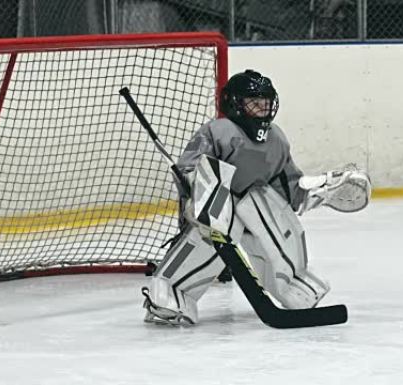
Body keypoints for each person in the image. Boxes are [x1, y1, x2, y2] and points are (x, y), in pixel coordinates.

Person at [141, 69, 371, 325]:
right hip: (215, 214)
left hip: (252, 214)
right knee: (220, 215)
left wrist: (321, 190)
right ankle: (171, 293)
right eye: (255, 103)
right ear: (235, 104)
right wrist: (197, 183)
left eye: (266, 103)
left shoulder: (276, 140)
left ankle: (294, 286)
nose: (263, 108)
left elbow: (289, 189)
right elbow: (192, 169)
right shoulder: (218, 131)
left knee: (262, 201)